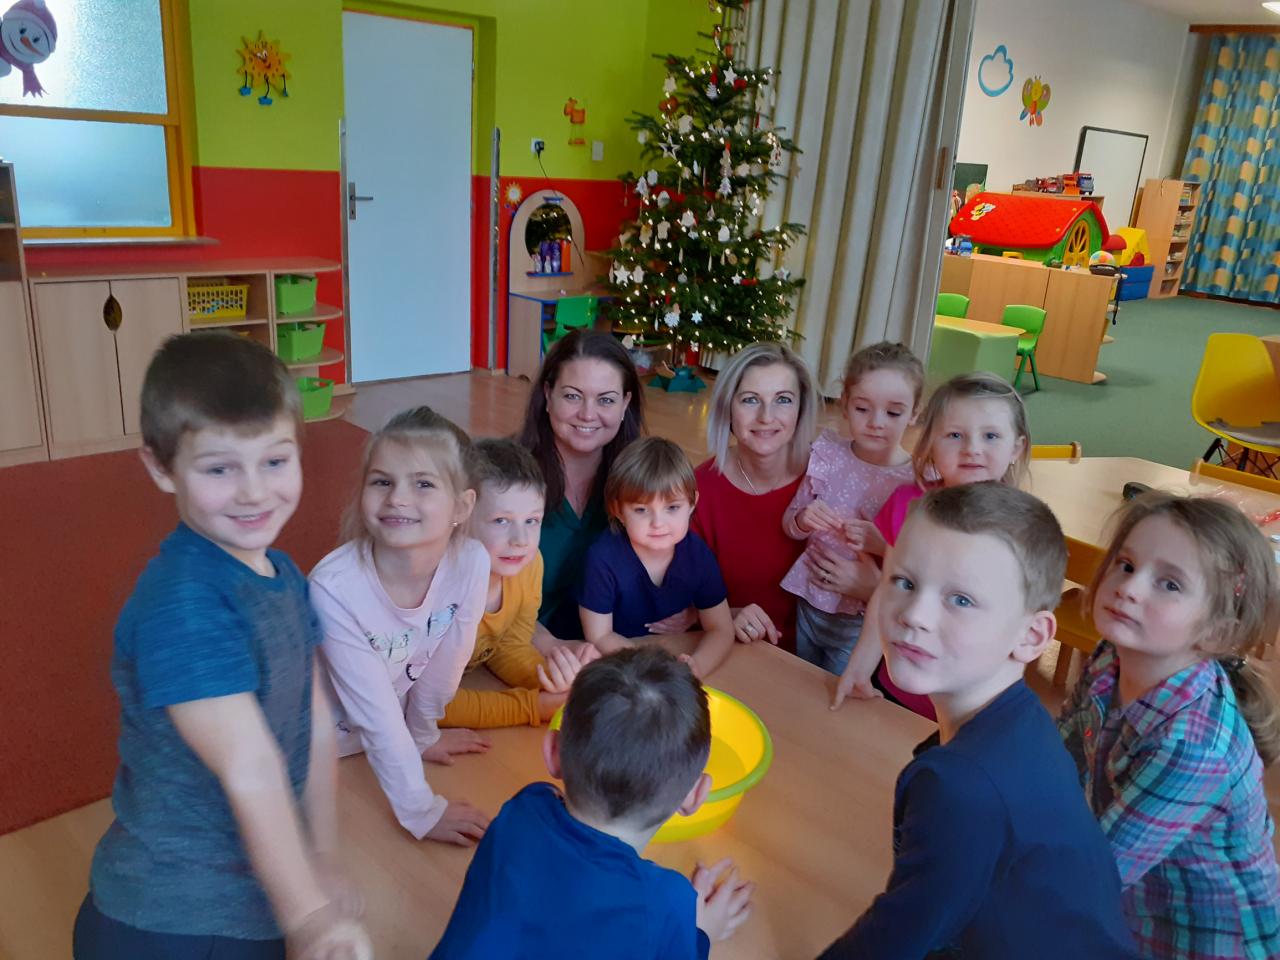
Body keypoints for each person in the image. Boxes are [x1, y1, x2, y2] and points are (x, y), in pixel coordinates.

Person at [73, 332, 371, 960]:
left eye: (274, 461)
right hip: (172, 922)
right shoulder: (184, 605)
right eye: (219, 468)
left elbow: (314, 717)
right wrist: (310, 914)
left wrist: (321, 854)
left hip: (254, 897)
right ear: (161, 467)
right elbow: (249, 765)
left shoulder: (283, 574)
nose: (254, 491)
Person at [818, 483, 1140, 959]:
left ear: (1031, 637)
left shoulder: (964, 786)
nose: (914, 615)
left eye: (961, 600)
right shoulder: (1021, 722)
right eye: (904, 581)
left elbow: (892, 941)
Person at [1059, 494, 1280, 959]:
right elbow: (1058, 757)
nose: (1129, 587)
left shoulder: (1193, 746)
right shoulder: (1110, 658)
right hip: (1134, 913)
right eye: (1126, 565)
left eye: (1170, 584)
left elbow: (1087, 878)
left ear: (1217, 630)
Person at [430, 646, 754, 959]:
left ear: (553, 752)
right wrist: (700, 933)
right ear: (696, 795)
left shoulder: (525, 808)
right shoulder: (666, 903)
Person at [309, 407, 491, 846]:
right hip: (304, 749)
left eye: (423, 484)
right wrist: (421, 809)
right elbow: (374, 713)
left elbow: (446, 664)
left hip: (377, 747)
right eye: (382, 482)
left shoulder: (471, 562)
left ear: (462, 506)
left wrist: (422, 736)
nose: (397, 499)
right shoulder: (333, 588)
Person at [833, 372, 1030, 718]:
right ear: (931, 444)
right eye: (955, 435)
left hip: (970, 702)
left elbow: (1015, 628)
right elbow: (887, 590)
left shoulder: (1024, 528)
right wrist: (860, 667)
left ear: (1016, 447)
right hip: (896, 683)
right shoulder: (907, 504)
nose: (972, 449)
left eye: (990, 436)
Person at [779, 342, 921, 673]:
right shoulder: (828, 454)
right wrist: (803, 519)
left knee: (836, 694)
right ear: (844, 404)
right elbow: (789, 523)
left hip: (861, 620)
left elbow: (919, 567)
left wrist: (881, 546)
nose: (876, 422)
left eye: (893, 413)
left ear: (914, 413)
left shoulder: (915, 481)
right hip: (808, 600)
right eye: (862, 408)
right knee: (799, 682)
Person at [441, 437, 595, 729]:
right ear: (461, 516)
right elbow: (425, 703)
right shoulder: (438, 589)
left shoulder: (528, 564)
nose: (521, 540)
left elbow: (509, 645)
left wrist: (550, 679)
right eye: (501, 520)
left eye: (532, 521)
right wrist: (532, 706)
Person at [684, 342, 819, 653]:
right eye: (750, 400)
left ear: (801, 409)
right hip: (734, 653)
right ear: (727, 409)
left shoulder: (829, 479)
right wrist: (725, 616)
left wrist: (867, 584)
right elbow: (676, 601)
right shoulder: (698, 489)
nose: (766, 416)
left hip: (819, 664)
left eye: (783, 400)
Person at [518, 329, 644, 640]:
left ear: (625, 403)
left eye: (606, 400)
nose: (588, 414)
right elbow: (481, 596)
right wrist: (550, 646)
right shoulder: (506, 479)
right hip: (521, 648)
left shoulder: (642, 479)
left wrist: (706, 611)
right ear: (548, 396)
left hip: (614, 646)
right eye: (572, 396)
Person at [578, 437, 735, 680]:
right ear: (618, 510)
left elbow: (721, 629)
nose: (658, 523)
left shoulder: (697, 554)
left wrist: (696, 667)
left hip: (670, 656)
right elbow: (599, 636)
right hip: (615, 668)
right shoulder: (602, 559)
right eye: (641, 510)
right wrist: (655, 666)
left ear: (692, 503)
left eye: (672, 508)